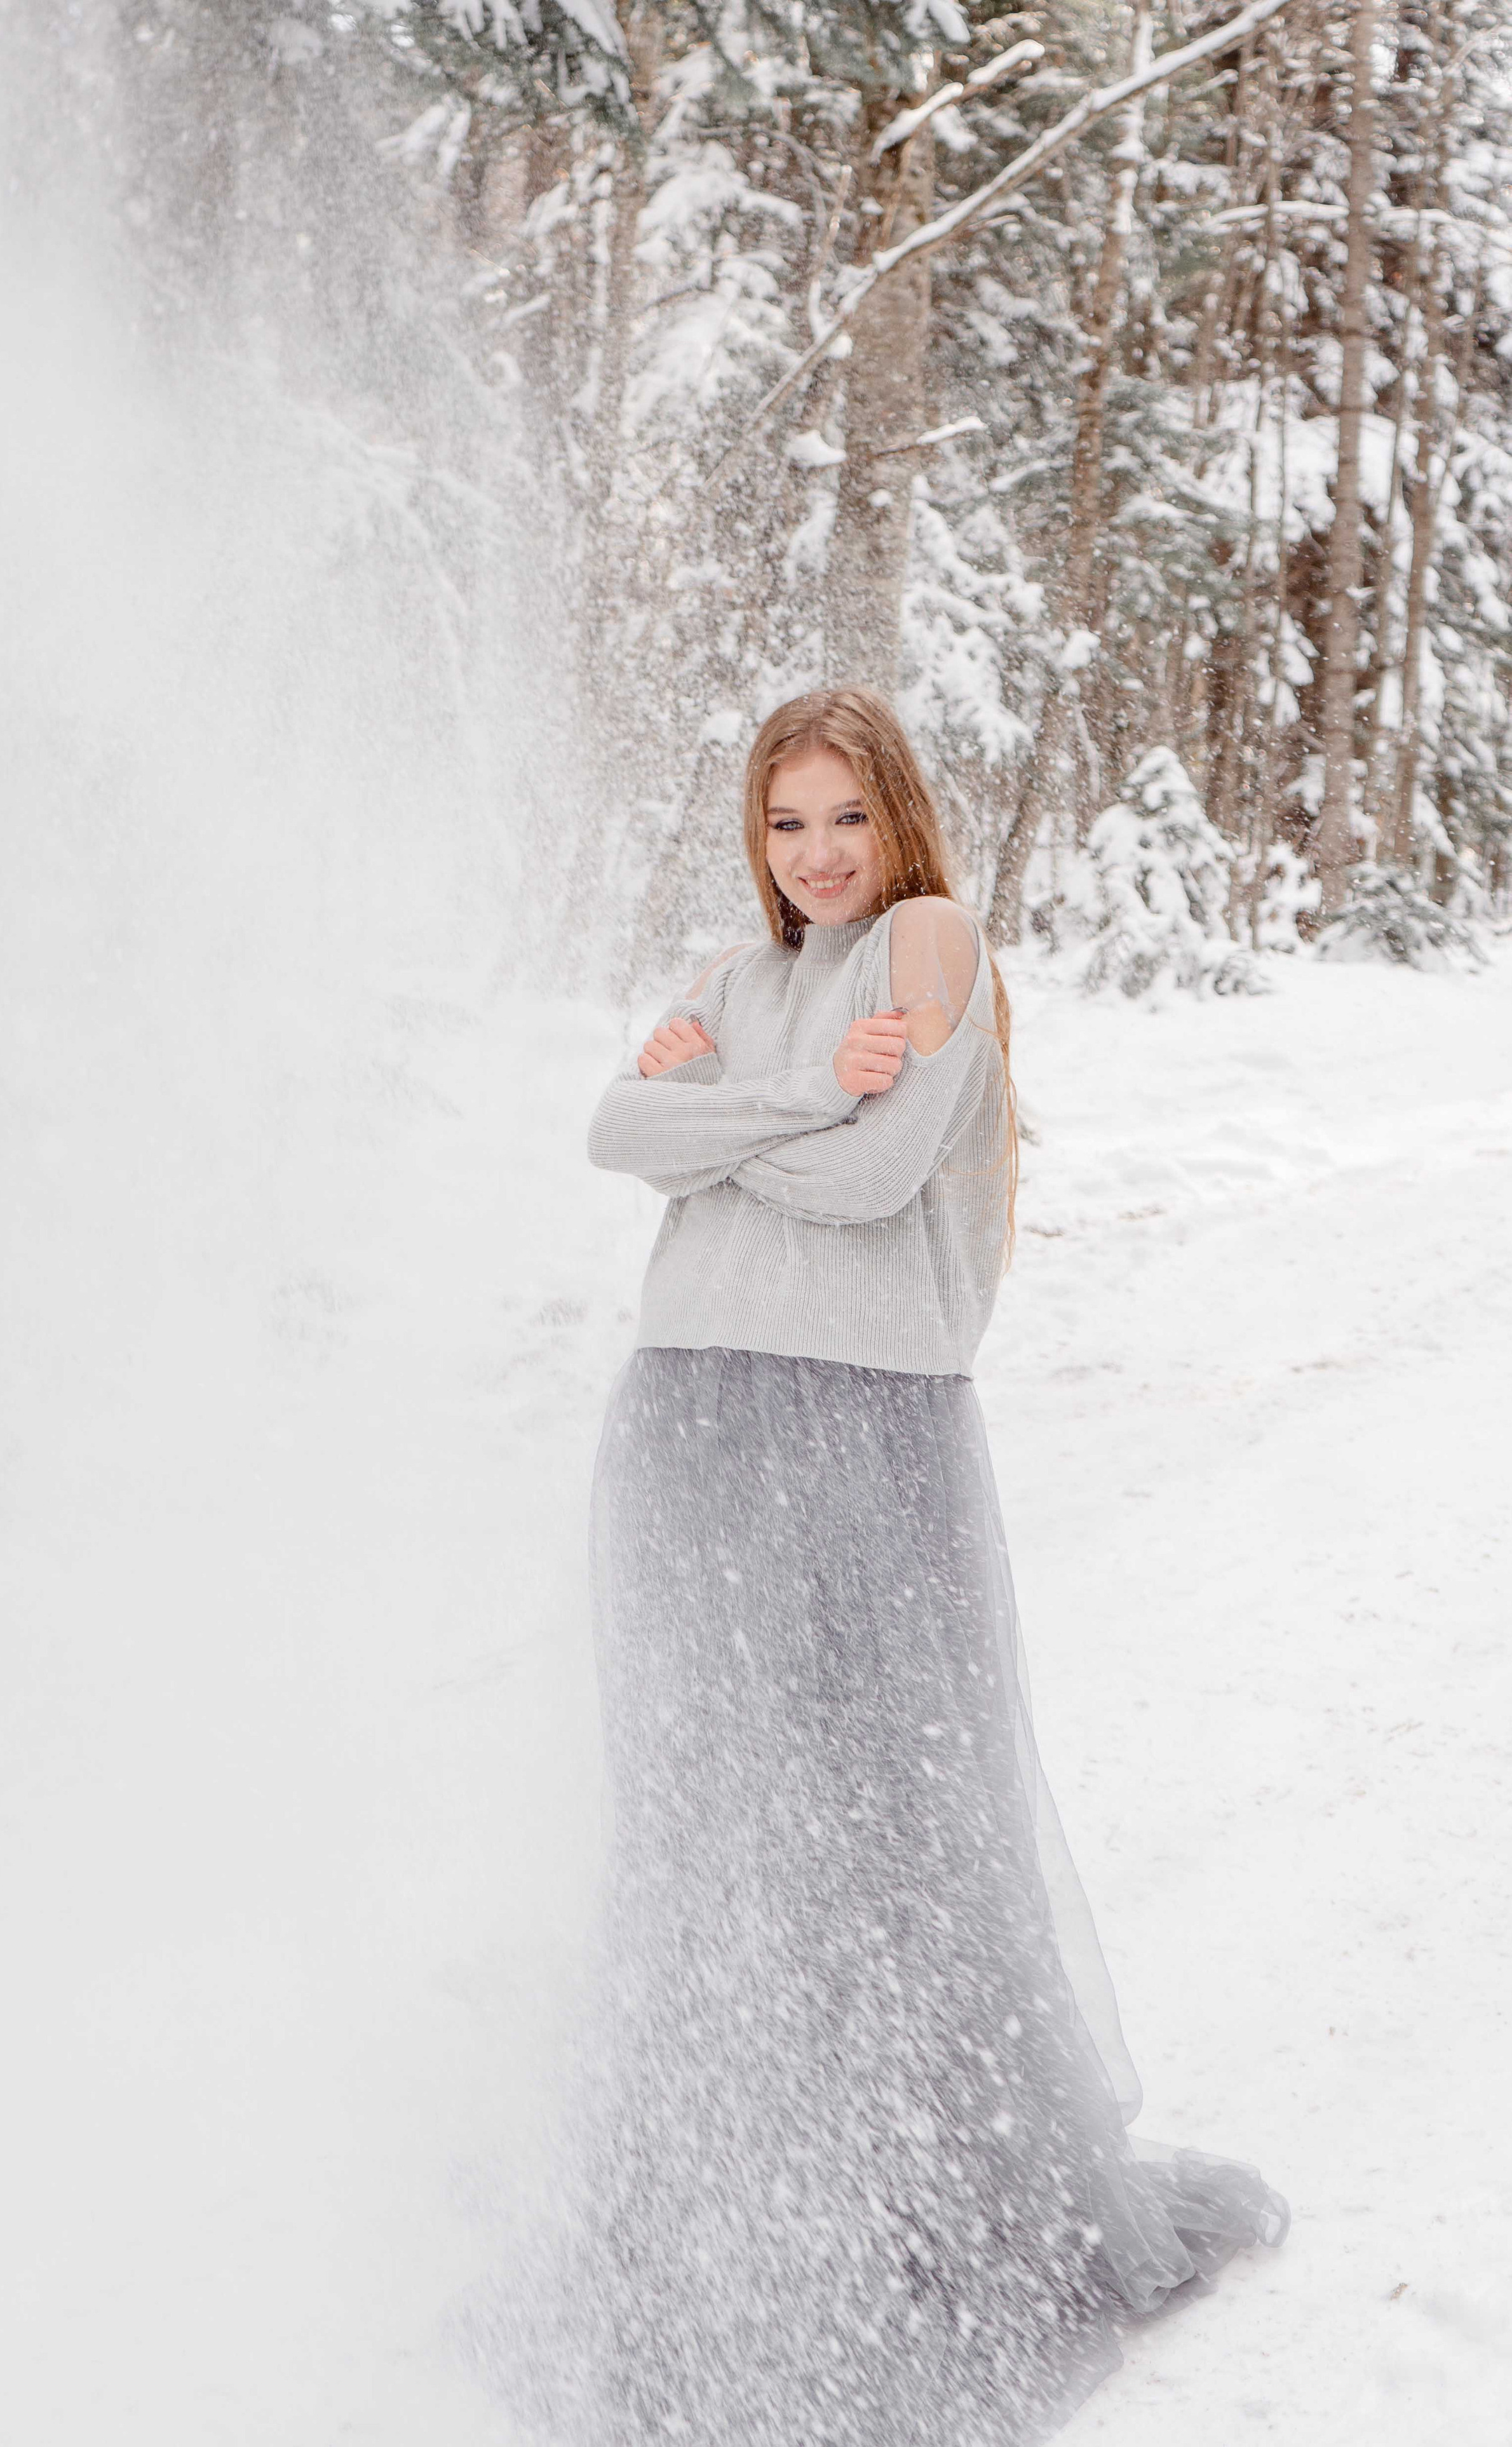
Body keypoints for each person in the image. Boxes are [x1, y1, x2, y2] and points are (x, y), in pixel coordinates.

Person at [469, 687, 1287, 2447]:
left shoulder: (931, 941)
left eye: (846, 816)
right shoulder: (739, 977)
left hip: (861, 1436)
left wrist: (730, 1124)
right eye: (786, 824)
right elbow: (616, 1132)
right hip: (686, 1428)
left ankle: (922, 2220)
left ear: (898, 819)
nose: (817, 854)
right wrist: (780, 1098)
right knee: (701, 1828)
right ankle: (699, 2222)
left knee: (880, 1830)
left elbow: (874, 1180)